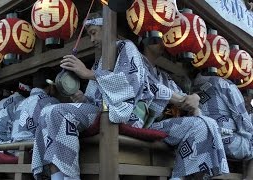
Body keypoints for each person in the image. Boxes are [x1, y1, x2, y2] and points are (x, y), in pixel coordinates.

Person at [31, 12, 229, 180]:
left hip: (133, 118)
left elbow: (131, 83)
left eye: (93, 33)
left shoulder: (126, 47)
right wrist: (83, 97)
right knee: (52, 112)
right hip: (110, 113)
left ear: (107, 28)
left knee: (204, 124)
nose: (91, 40)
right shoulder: (103, 60)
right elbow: (101, 98)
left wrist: (89, 74)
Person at [193, 71, 253, 179]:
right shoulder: (225, 84)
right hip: (221, 138)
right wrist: (247, 137)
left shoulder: (195, 82)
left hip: (200, 135)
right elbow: (243, 120)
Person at [11, 68, 60, 143]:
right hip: (32, 149)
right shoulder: (50, 101)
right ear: (51, 85)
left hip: (14, 148)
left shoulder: (21, 103)